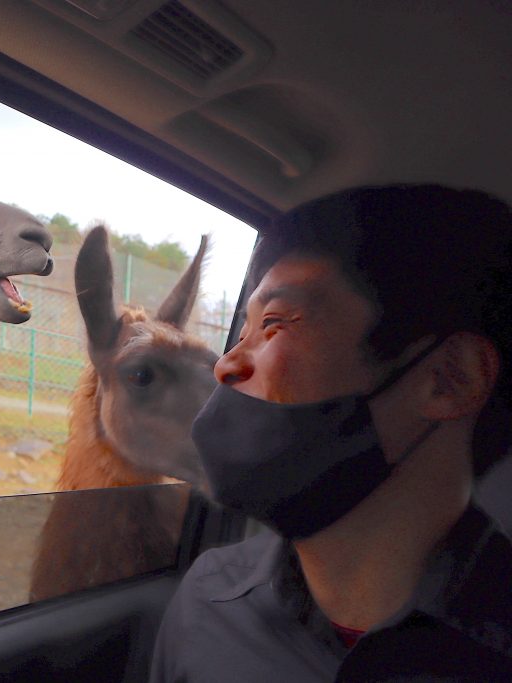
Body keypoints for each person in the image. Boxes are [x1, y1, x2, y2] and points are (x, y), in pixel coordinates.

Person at [150, 184, 512, 681]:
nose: (226, 365)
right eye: (241, 333)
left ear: (451, 377)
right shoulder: (207, 600)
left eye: (276, 324)